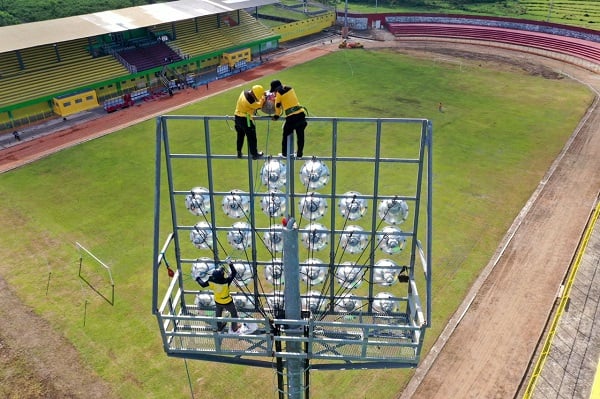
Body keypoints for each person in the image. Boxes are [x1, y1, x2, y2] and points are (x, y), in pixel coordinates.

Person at [196, 262, 240, 333]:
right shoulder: (226, 281)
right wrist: (230, 264)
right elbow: (234, 272)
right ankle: (234, 328)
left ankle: (219, 327)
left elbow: (203, 284)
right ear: (222, 275)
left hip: (217, 301)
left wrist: (197, 278)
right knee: (234, 313)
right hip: (227, 302)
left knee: (218, 314)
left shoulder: (211, 281)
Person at [270, 79, 307, 159]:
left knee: (285, 135)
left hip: (291, 118)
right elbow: (288, 100)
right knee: (300, 136)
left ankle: (284, 153)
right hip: (301, 115)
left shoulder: (279, 94)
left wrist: (276, 116)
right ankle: (299, 154)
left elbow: (277, 107)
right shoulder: (290, 88)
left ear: (276, 89)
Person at [234, 85, 265, 160]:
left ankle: (239, 151)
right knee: (251, 135)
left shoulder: (244, 92)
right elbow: (259, 106)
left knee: (240, 135)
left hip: (237, 116)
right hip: (246, 118)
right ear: (254, 94)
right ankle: (254, 154)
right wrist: (263, 98)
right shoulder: (250, 101)